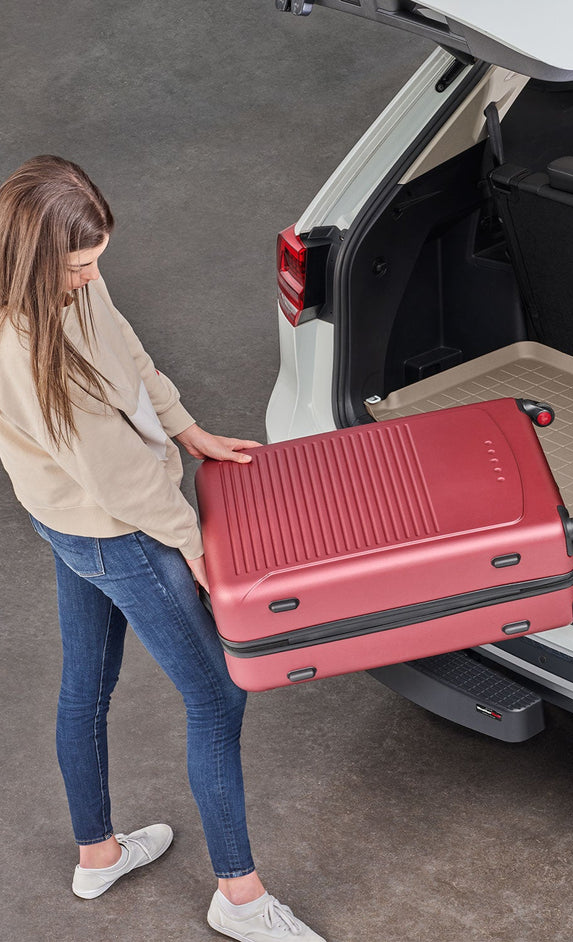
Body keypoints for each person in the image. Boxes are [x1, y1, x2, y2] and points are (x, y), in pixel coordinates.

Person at [0, 155, 327, 942]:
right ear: (36, 257)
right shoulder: (24, 347)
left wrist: (188, 429)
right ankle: (239, 898)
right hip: (116, 530)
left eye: (96, 260)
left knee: (86, 683)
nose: (91, 278)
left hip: (70, 518)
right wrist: (194, 549)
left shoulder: (62, 283)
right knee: (217, 696)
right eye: (79, 267)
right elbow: (116, 477)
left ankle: (97, 854)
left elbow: (125, 348)